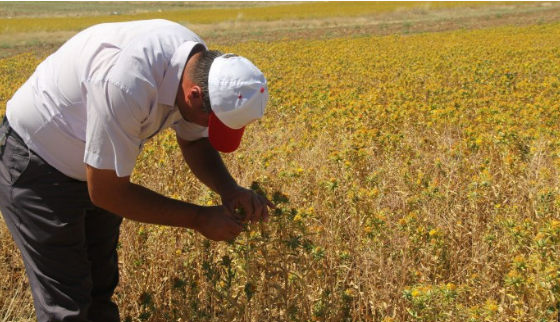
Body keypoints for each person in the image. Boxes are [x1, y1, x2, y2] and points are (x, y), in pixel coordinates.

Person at [0, 19, 274, 322]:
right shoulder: (126, 82)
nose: (208, 130)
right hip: (38, 165)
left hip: (94, 165)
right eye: (210, 122)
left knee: (99, 289)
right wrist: (199, 218)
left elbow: (195, 143)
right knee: (68, 306)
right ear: (194, 95)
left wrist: (229, 190)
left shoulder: (198, 67)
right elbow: (106, 192)